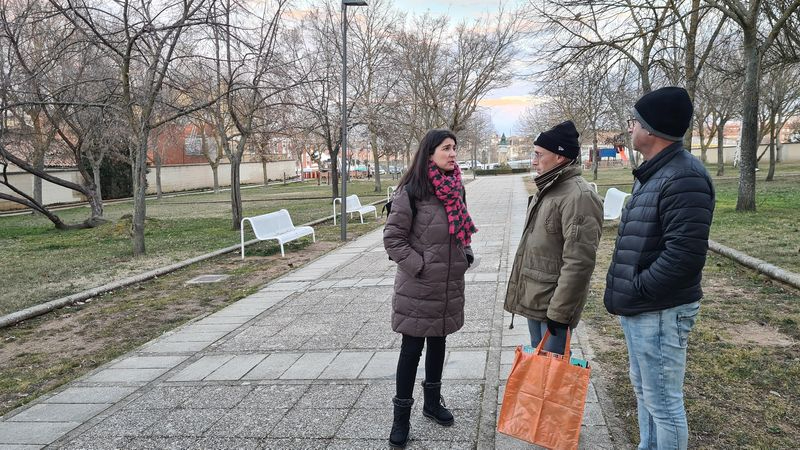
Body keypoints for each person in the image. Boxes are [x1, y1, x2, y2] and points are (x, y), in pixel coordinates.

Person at [605, 86, 715, 450]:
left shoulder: (684, 177)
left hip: (660, 310)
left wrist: (637, 288)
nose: (629, 127)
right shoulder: (656, 173)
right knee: (646, 395)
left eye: (633, 121)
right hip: (644, 309)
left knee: (664, 403)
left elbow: (683, 257)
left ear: (650, 129)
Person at [383, 128, 477, 449]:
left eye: (454, 148)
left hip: (449, 284)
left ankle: (432, 403)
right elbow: (393, 239)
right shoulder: (411, 191)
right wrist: (419, 265)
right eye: (446, 148)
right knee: (411, 350)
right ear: (430, 152)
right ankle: (401, 419)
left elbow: (461, 230)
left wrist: (465, 254)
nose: (453, 154)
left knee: (438, 342)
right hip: (419, 286)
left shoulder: (456, 188)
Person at [504, 120, 603, 354]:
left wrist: (560, 313)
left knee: (552, 375)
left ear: (560, 157)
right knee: (538, 374)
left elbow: (579, 262)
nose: (534, 160)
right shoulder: (549, 188)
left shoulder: (579, 196)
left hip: (553, 306)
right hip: (536, 298)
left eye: (539, 154)